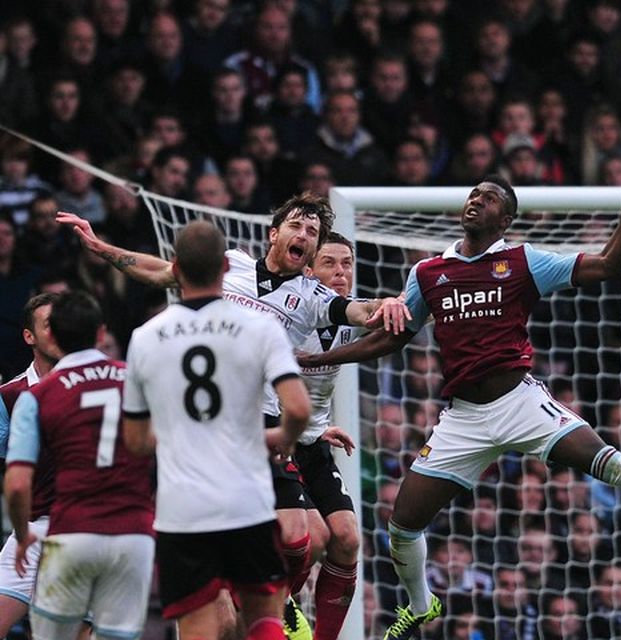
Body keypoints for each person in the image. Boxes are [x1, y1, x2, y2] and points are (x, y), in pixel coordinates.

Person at [299, 155, 621, 639]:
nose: (476, 200)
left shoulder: (523, 261)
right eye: (474, 193)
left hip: (520, 404)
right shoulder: (428, 273)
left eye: (489, 197)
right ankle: (420, 604)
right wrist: (312, 361)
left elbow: (606, 265)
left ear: (506, 220)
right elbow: (393, 338)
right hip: (464, 420)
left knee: (614, 464)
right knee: (401, 526)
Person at [56, 191, 407, 629]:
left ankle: (272, 607)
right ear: (274, 233)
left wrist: (387, 304)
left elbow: (358, 310)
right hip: (211, 428)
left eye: (313, 232)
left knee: (300, 540)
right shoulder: (234, 267)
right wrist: (104, 248)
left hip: (259, 425)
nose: (305, 236)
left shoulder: (313, 297)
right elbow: (159, 270)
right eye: (298, 226)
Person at [120, 220, 312, 640]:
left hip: (182, 508)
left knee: (200, 627)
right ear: (227, 267)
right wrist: (280, 438)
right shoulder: (260, 328)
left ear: (175, 268)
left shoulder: (145, 338)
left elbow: (135, 441)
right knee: (264, 616)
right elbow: (298, 407)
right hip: (246, 497)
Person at [4, 291, 154, 640]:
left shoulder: (39, 396)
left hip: (69, 527)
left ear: (53, 334)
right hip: (131, 530)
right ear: (101, 333)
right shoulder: (133, 378)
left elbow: (14, 483)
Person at [296, 232, 362, 640]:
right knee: (314, 537)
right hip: (272, 443)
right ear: (308, 271)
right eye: (330, 264)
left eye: (347, 264)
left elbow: (398, 321)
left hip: (315, 440)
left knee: (347, 538)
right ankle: (280, 606)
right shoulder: (287, 313)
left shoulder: (353, 317)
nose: (340, 273)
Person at [0, 294, 62, 638]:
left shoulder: (91, 384)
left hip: (79, 529)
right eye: (48, 325)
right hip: (30, 531)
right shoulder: (9, 395)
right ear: (28, 336)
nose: (58, 332)